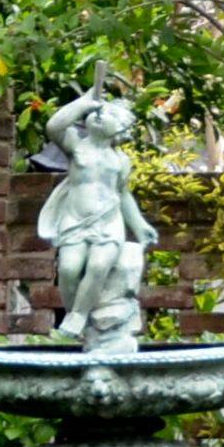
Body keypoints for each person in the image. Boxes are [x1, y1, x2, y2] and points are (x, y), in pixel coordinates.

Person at [37, 87, 155, 356]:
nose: (102, 114)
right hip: (75, 220)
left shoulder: (120, 160)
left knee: (100, 265)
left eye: (111, 114)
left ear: (121, 130)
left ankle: (78, 316)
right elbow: (54, 126)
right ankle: (74, 314)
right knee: (68, 269)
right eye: (100, 110)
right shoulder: (76, 146)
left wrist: (138, 225)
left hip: (108, 222)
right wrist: (83, 103)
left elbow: (123, 195)